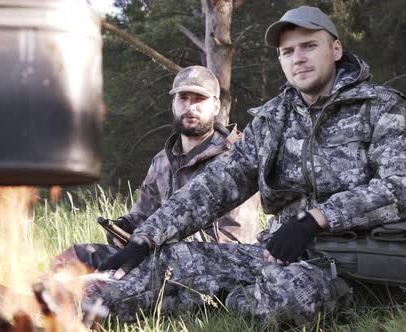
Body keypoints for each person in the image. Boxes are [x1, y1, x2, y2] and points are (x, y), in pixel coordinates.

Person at [86, 5, 406, 326]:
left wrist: (317, 219)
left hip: (351, 259)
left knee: (292, 294)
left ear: (335, 50)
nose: (299, 58)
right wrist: (145, 239)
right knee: (170, 260)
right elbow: (215, 187)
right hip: (275, 255)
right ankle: (82, 307)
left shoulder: (380, 106)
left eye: (309, 46)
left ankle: (225, 299)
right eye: (288, 52)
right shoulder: (272, 119)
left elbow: (404, 189)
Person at [52, 66, 261, 271]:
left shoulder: (237, 158)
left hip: (211, 265)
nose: (190, 107)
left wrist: (157, 240)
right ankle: (40, 299)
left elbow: (234, 237)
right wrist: (124, 227)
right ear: (173, 104)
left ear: (215, 106)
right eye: (184, 98)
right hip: (156, 255)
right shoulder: (162, 161)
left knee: (104, 285)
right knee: (78, 256)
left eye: (199, 100)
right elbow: (144, 216)